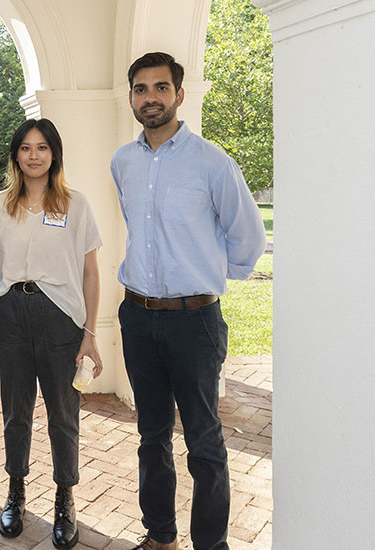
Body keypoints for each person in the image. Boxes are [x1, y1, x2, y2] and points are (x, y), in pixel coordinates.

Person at [111, 52, 267, 550]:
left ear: (179, 94)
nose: (150, 97)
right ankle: (160, 537)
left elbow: (247, 233)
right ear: (131, 96)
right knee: (151, 436)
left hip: (194, 322)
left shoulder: (212, 162)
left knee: (204, 441)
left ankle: (210, 545)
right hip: (137, 317)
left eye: (160, 87)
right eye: (140, 88)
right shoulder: (123, 162)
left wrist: (213, 278)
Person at [0, 118, 103, 549]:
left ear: (54, 154)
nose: (34, 155)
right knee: (16, 411)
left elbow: (89, 271)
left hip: (60, 318)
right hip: (11, 312)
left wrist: (89, 332)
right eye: (26, 147)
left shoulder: (75, 204)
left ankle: (65, 498)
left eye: (43, 147)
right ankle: (16, 492)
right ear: (16, 154)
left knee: (63, 414)